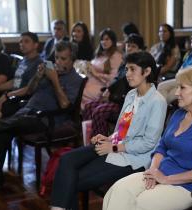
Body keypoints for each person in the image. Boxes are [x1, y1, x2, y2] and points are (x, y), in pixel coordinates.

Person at [50, 51, 167, 210]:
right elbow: (122, 129)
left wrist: (113, 147)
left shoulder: (157, 101)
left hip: (134, 158)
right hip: (115, 147)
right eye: (126, 69)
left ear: (146, 72)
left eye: (132, 69)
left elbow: (148, 143)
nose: (128, 74)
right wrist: (108, 138)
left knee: (71, 180)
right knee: (66, 160)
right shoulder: (132, 94)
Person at [102, 66, 192, 210]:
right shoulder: (179, 114)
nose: (176, 92)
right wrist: (153, 170)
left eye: (182, 88)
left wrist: (166, 179)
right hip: (160, 172)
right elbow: (162, 147)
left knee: (141, 203)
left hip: (187, 187)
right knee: (117, 191)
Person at [0, 41, 83, 190]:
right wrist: (38, 76)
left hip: (45, 119)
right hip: (26, 112)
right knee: (0, 133)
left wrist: (55, 81)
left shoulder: (75, 80)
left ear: (72, 60)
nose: (58, 62)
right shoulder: (48, 73)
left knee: (0, 126)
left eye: (63, 59)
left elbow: (65, 105)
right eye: (57, 58)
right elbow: (30, 90)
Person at [82, 33, 145, 138]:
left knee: (99, 111)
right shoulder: (125, 60)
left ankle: (100, 145)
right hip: (116, 97)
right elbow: (116, 78)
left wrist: (110, 92)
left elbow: (125, 84)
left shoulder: (139, 64)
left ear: (140, 49)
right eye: (128, 45)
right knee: (89, 106)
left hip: (126, 102)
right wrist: (108, 90)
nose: (129, 48)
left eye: (133, 46)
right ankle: (89, 139)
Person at [0, 32, 42, 119]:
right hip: (13, 95)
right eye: (21, 42)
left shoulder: (39, 63)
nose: (22, 44)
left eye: (26, 41)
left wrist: (8, 95)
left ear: (36, 45)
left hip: (24, 100)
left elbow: (29, 89)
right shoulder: (23, 60)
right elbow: (15, 81)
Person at [157, 32, 192, 103]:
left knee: (169, 96)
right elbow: (182, 68)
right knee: (161, 86)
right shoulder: (191, 55)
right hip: (181, 79)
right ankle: (160, 111)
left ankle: (162, 111)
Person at [81, 28, 123, 108]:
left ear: (113, 41)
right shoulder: (99, 54)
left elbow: (113, 79)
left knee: (82, 92)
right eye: (102, 40)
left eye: (107, 39)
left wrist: (96, 74)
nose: (104, 42)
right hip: (89, 80)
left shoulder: (116, 56)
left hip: (102, 85)